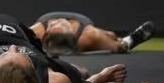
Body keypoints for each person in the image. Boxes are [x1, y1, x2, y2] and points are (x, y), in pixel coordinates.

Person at [26, 12, 155, 56]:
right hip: (83, 38)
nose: (58, 22)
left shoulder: (36, 32)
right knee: (117, 43)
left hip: (81, 35)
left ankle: (126, 40)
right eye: (58, 25)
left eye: (54, 25)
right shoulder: (88, 36)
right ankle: (128, 41)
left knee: (111, 35)